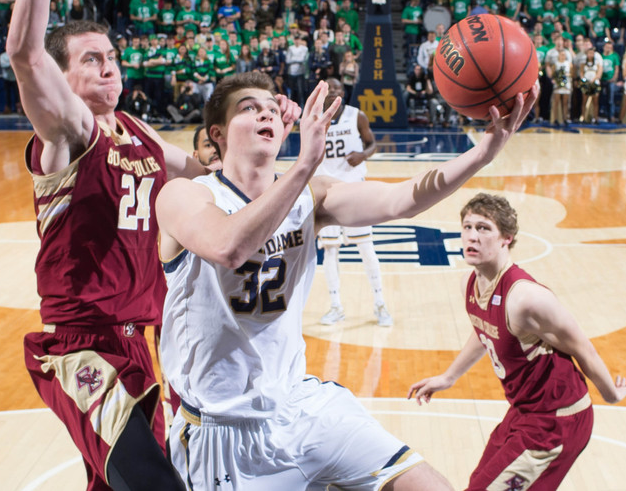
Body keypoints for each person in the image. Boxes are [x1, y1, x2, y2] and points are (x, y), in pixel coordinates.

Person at [5, 0, 299, 491]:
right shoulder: (69, 132)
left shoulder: (136, 133)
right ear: (64, 76)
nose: (108, 65)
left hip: (140, 341)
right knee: (157, 482)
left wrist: (266, 128)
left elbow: (211, 172)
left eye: (112, 56)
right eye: (90, 59)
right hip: (80, 345)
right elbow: (25, 54)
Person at [156, 71, 539, 491]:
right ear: (218, 134)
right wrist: (304, 165)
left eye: (271, 105)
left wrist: (481, 154)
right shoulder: (186, 196)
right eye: (249, 107)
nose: (265, 110)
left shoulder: (310, 195)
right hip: (223, 433)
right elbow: (228, 246)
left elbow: (401, 200)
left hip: (301, 407)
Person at [408, 193, 626, 491]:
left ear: (506, 238)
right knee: (479, 483)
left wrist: (612, 394)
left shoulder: (526, 298)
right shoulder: (470, 283)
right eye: (467, 227)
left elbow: (582, 348)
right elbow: (485, 329)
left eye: (484, 228)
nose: (472, 236)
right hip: (524, 412)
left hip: (557, 421)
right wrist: (449, 377)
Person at [314, 78, 392, 327]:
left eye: (338, 88)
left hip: (354, 190)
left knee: (365, 248)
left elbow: (373, 144)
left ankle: (380, 303)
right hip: (327, 193)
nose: (335, 92)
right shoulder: (315, 119)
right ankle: (336, 306)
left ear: (343, 93)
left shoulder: (356, 115)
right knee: (330, 250)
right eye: (330, 89)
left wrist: (363, 155)